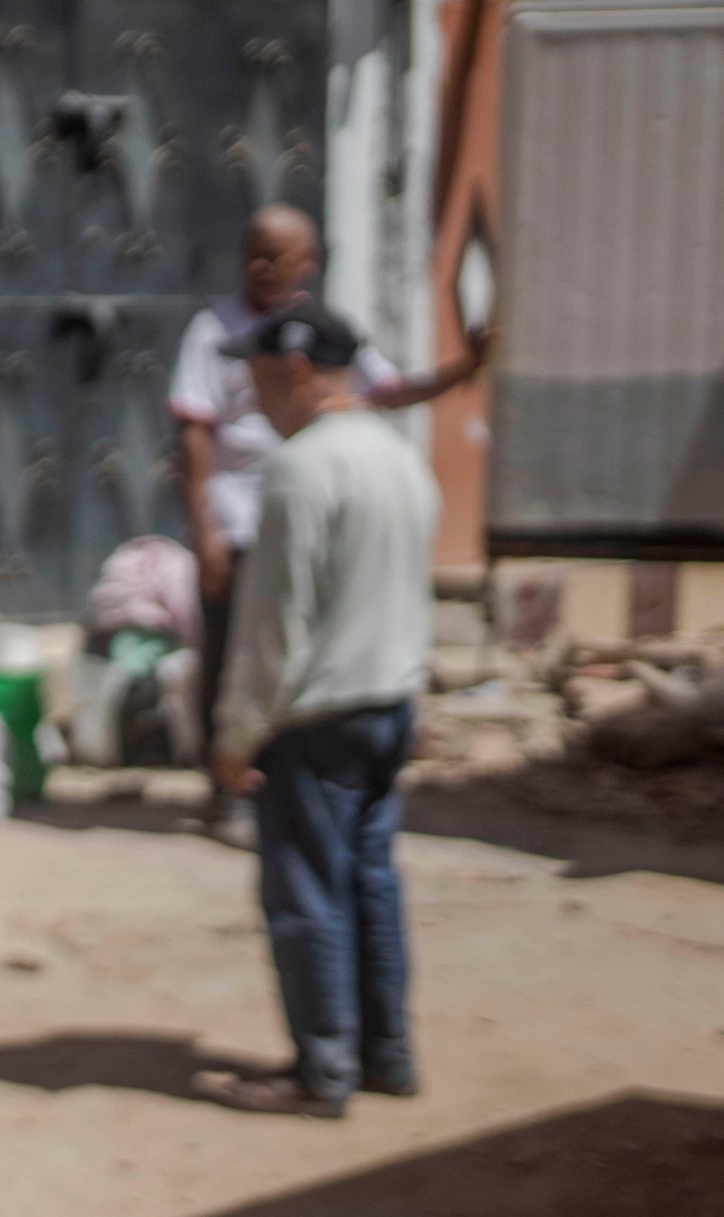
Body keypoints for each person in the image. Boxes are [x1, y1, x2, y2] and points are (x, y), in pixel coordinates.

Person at [169, 203, 488, 846]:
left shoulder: (324, 383)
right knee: (240, 649)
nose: (260, 267)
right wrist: (204, 528)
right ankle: (232, 783)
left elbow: (391, 390)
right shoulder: (215, 331)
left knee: (282, 643)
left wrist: (463, 371)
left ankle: (264, 772)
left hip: (309, 533)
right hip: (241, 520)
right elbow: (194, 432)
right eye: (252, 252)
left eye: (276, 256)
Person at [200, 300, 439, 1119]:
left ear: (295, 371)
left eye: (258, 374)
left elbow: (273, 625)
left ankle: (323, 1069)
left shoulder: (303, 468)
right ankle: (387, 1053)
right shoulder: (397, 455)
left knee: (307, 893)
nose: (252, 393)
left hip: (317, 717)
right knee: (370, 880)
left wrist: (235, 738)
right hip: (388, 702)